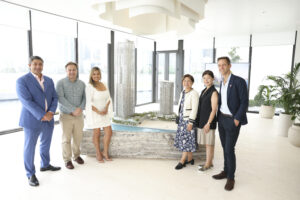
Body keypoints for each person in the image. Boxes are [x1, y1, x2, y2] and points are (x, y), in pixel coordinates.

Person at [16, 56, 61, 187]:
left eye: (40, 64)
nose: (38, 66)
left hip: (49, 119)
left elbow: (55, 97)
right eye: (35, 64)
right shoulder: (22, 81)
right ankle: (30, 174)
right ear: (29, 65)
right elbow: (26, 102)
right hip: (32, 120)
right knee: (29, 147)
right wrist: (42, 115)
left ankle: (45, 165)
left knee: (45, 144)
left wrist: (51, 112)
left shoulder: (49, 80)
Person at [212, 57, 248, 191]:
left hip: (233, 120)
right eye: (219, 65)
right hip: (222, 119)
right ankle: (225, 171)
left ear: (229, 66)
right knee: (224, 147)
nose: (221, 67)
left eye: (223, 65)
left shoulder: (239, 81)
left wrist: (237, 119)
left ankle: (231, 177)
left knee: (229, 149)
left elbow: (244, 102)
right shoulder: (222, 81)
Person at [56, 62, 86, 169]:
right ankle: (67, 159)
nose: (72, 72)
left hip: (79, 116)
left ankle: (76, 156)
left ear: (77, 71)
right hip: (66, 115)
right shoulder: (60, 83)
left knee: (78, 137)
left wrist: (80, 109)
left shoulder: (82, 84)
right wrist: (73, 109)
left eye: (74, 70)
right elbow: (61, 98)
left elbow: (84, 98)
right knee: (66, 139)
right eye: (69, 70)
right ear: (66, 71)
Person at [85, 67, 113, 163]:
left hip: (104, 112)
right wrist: (98, 111)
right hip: (95, 113)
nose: (96, 76)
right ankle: (98, 153)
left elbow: (109, 98)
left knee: (109, 132)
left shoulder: (104, 84)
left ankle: (105, 152)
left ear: (100, 75)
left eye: (98, 74)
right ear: (91, 76)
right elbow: (88, 103)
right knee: (96, 133)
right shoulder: (89, 86)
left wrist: (106, 108)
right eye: (94, 74)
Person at [174, 74, 199, 170]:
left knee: (186, 141)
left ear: (192, 82)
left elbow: (194, 109)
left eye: (189, 81)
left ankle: (182, 161)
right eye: (184, 81)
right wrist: (178, 116)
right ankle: (190, 159)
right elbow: (180, 106)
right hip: (181, 119)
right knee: (186, 140)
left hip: (188, 120)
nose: (186, 83)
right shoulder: (183, 92)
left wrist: (191, 122)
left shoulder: (194, 93)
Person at [195, 70, 218, 172]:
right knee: (208, 143)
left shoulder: (213, 92)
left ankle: (208, 164)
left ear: (213, 79)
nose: (206, 80)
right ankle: (210, 162)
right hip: (203, 121)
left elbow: (214, 109)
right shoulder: (204, 90)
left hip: (209, 122)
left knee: (209, 144)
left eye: (208, 78)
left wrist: (208, 123)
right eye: (204, 78)